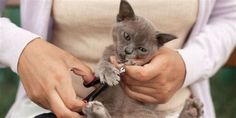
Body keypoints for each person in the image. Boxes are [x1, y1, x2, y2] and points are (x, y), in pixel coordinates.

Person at [0, 0, 235, 118]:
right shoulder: (110, 51)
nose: (128, 51)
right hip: (59, 109)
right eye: (126, 38)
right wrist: (21, 48)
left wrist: (188, 64)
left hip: (163, 110)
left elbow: (230, 16)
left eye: (141, 50)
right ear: (121, 18)